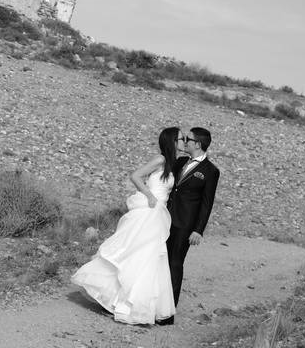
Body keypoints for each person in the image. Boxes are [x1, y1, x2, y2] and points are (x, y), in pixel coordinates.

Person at [71, 127, 179, 325]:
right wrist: (148, 195)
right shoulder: (161, 160)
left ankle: (134, 305)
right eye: (180, 139)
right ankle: (119, 300)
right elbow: (136, 176)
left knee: (149, 256)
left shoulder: (172, 165)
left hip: (158, 214)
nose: (183, 141)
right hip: (149, 210)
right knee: (133, 251)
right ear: (172, 142)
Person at [158, 126, 220, 326]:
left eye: (188, 139)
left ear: (198, 144)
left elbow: (206, 204)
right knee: (159, 262)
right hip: (165, 219)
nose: (185, 141)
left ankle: (167, 314)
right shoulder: (181, 162)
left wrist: (198, 230)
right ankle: (154, 303)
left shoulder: (211, 171)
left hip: (185, 224)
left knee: (175, 264)